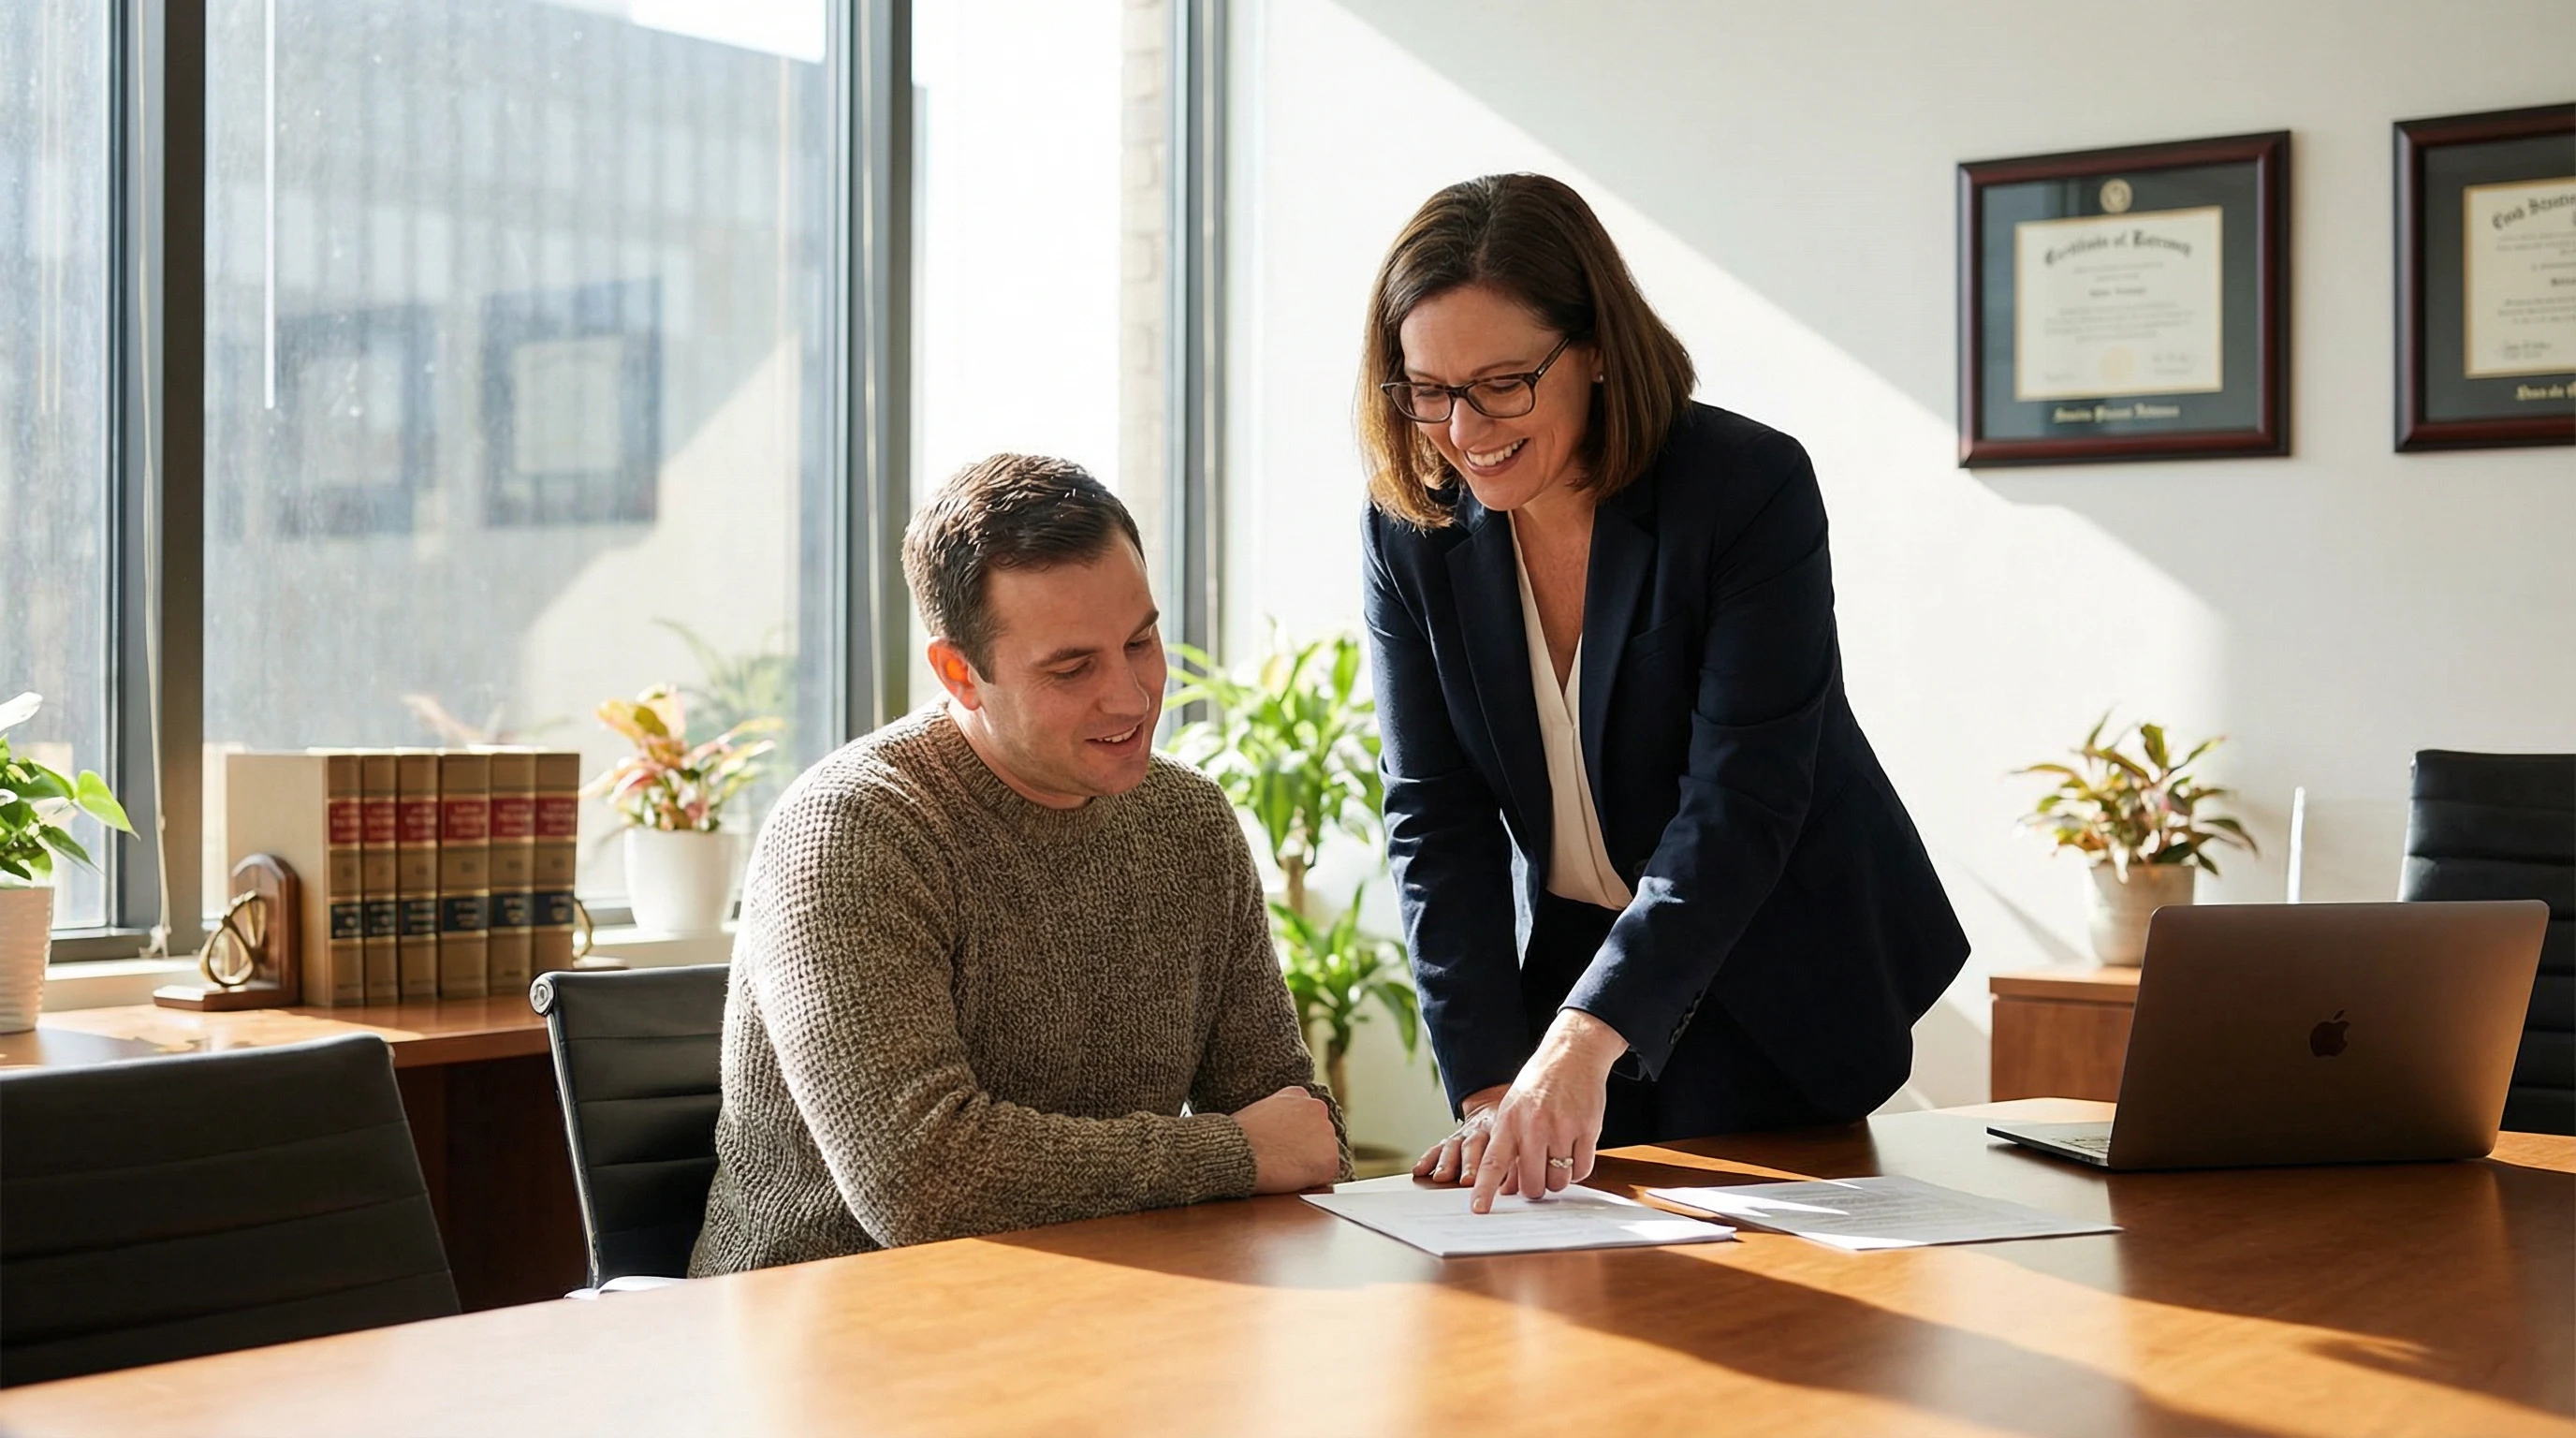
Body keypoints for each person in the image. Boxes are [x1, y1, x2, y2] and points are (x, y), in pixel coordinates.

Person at [1357, 174, 1969, 1213]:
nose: (1463, 428)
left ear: (1594, 349)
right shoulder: (1411, 525)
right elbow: (1435, 816)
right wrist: (1492, 1083)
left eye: (1503, 382)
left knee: (1777, 1324)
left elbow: (1740, 801)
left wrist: (1581, 1044)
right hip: (1569, 969)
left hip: (1773, 964)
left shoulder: (1743, 490)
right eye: (1428, 388)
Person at [690, 453, 1347, 1275]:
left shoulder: (1189, 822)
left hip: (1096, 1308)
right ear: (961, 673)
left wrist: (1266, 1146)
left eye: (1141, 641)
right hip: (830, 1329)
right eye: (1073, 668)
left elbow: (1296, 1129)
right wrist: (1234, 1154)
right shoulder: (854, 829)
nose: (1133, 697)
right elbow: (922, 1182)